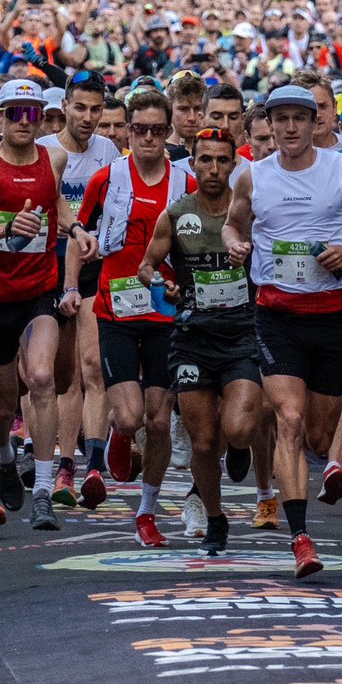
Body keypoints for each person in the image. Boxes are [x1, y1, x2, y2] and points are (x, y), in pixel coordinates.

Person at [224, 83, 342, 578]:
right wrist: (235, 246)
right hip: (276, 315)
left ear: (316, 122)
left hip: (331, 313)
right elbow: (233, 225)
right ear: (268, 124)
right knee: (288, 419)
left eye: (301, 118)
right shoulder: (253, 176)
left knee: (317, 436)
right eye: (282, 119)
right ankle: (300, 538)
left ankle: (337, 468)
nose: (291, 128)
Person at [0, 78, 95, 528]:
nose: (23, 122)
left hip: (38, 292)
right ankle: (3, 455)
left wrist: (75, 230)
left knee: (41, 377)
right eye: (14, 112)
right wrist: (7, 230)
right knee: (0, 404)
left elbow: (57, 206)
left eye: (32, 113)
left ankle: (43, 491)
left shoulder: (54, 157)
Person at [140, 127, 262, 555]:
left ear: (234, 164)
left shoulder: (248, 211)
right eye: (204, 160)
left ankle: (242, 445)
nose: (213, 168)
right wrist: (164, 287)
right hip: (192, 337)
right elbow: (146, 267)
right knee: (204, 441)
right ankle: (214, 516)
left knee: (239, 428)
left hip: (244, 333)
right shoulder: (176, 213)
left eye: (222, 160)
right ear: (192, 164)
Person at [77, 89, 188, 547]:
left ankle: (146, 511)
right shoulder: (107, 178)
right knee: (129, 416)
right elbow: (79, 230)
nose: (146, 138)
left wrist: (186, 282)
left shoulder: (186, 184)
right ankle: (121, 436)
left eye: (156, 130)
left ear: (167, 132)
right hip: (116, 309)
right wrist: (72, 278)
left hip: (164, 312)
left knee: (159, 422)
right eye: (138, 129)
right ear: (126, 132)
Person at [42, 72, 121, 509]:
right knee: (63, 375)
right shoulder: (46, 152)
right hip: (49, 265)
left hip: (94, 266)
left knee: (93, 366)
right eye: (81, 108)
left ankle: (92, 461)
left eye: (96, 110)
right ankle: (64, 462)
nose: (89, 118)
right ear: (65, 107)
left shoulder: (108, 150)